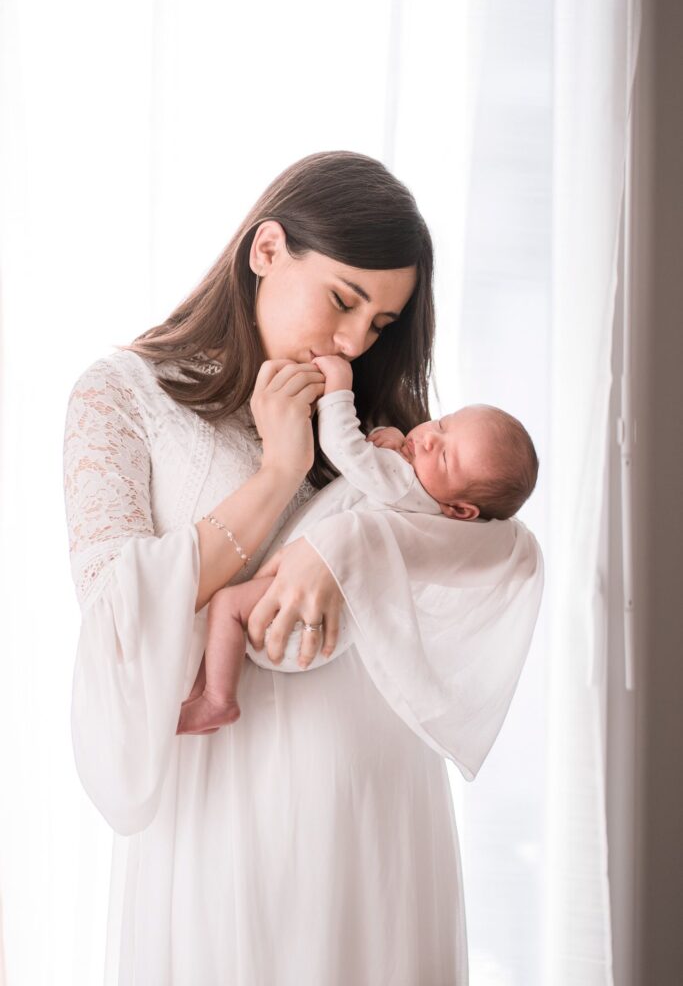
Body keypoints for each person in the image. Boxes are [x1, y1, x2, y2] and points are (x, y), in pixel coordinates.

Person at [62, 150, 543, 985]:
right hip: (219, 810)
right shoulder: (121, 396)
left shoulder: (381, 428)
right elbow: (113, 616)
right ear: (266, 250)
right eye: (344, 301)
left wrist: (343, 548)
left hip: (371, 800)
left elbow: (507, 551)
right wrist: (279, 472)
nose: (355, 340)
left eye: (382, 324)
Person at [176, 352, 539, 735]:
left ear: (461, 511)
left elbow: (344, 446)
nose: (430, 438)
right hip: (320, 633)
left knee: (227, 605)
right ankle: (204, 693)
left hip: (293, 620)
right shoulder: (424, 504)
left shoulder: (402, 482)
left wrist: (339, 385)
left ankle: (217, 698)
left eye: (446, 456)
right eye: (444, 425)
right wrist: (398, 442)